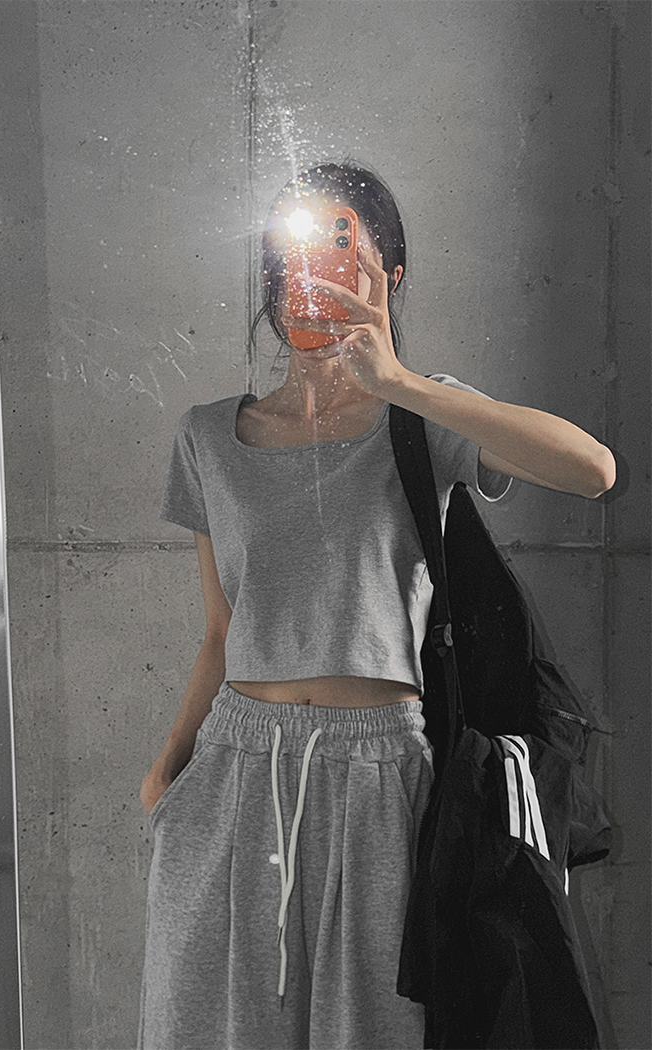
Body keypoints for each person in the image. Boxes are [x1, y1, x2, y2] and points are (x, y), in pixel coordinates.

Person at [136, 161, 616, 1050]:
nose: (310, 273)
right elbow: (220, 632)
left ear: (389, 275)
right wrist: (169, 772)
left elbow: (592, 470)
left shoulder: (420, 420)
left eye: (340, 247)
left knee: (374, 1031)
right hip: (235, 770)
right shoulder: (207, 436)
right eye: (291, 251)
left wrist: (400, 382)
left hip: (382, 773)